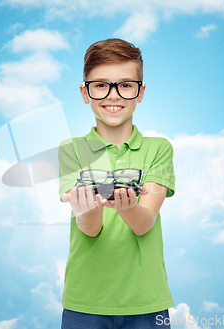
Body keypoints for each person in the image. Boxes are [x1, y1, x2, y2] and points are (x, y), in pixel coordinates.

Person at [58, 38, 175, 329]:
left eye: (125, 85)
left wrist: (128, 206)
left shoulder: (159, 148)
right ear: (85, 93)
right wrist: (87, 209)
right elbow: (90, 229)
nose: (114, 95)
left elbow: (143, 223)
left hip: (147, 301)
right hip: (84, 300)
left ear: (140, 92)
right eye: (100, 85)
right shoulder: (71, 149)